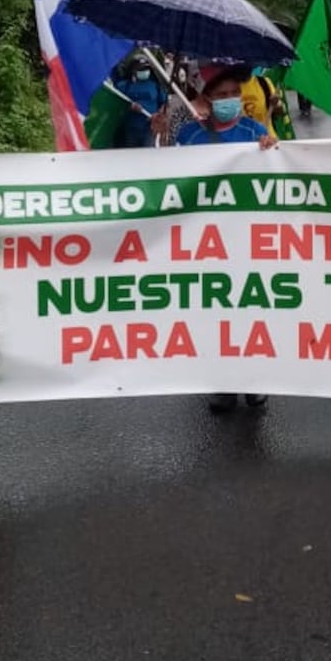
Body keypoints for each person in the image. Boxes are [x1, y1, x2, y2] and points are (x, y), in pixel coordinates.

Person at [176, 63, 277, 411]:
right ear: (205, 99)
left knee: (251, 309)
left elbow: (277, 177)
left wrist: (273, 151)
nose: (230, 99)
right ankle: (221, 382)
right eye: (221, 95)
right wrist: (159, 136)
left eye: (235, 93)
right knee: (214, 311)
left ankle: (255, 378)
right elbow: (167, 180)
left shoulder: (254, 132)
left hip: (249, 240)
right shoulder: (189, 135)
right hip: (206, 241)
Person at [118, 54, 167, 149]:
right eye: (140, 69)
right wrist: (129, 107)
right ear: (133, 70)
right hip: (131, 129)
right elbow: (116, 103)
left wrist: (158, 115)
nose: (144, 71)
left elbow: (164, 103)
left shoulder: (155, 86)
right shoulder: (124, 86)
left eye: (145, 69)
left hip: (150, 129)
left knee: (148, 158)